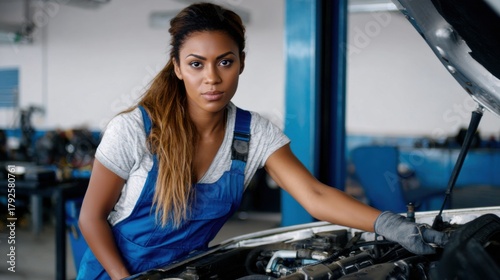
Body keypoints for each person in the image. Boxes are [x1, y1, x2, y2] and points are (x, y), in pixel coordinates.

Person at [77, 2, 449, 279]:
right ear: (177, 68)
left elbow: (314, 195)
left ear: (241, 62)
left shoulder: (253, 133)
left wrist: (392, 225)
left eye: (225, 62)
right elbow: (91, 218)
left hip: (186, 272)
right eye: (196, 64)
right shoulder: (135, 130)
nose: (212, 78)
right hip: (112, 272)